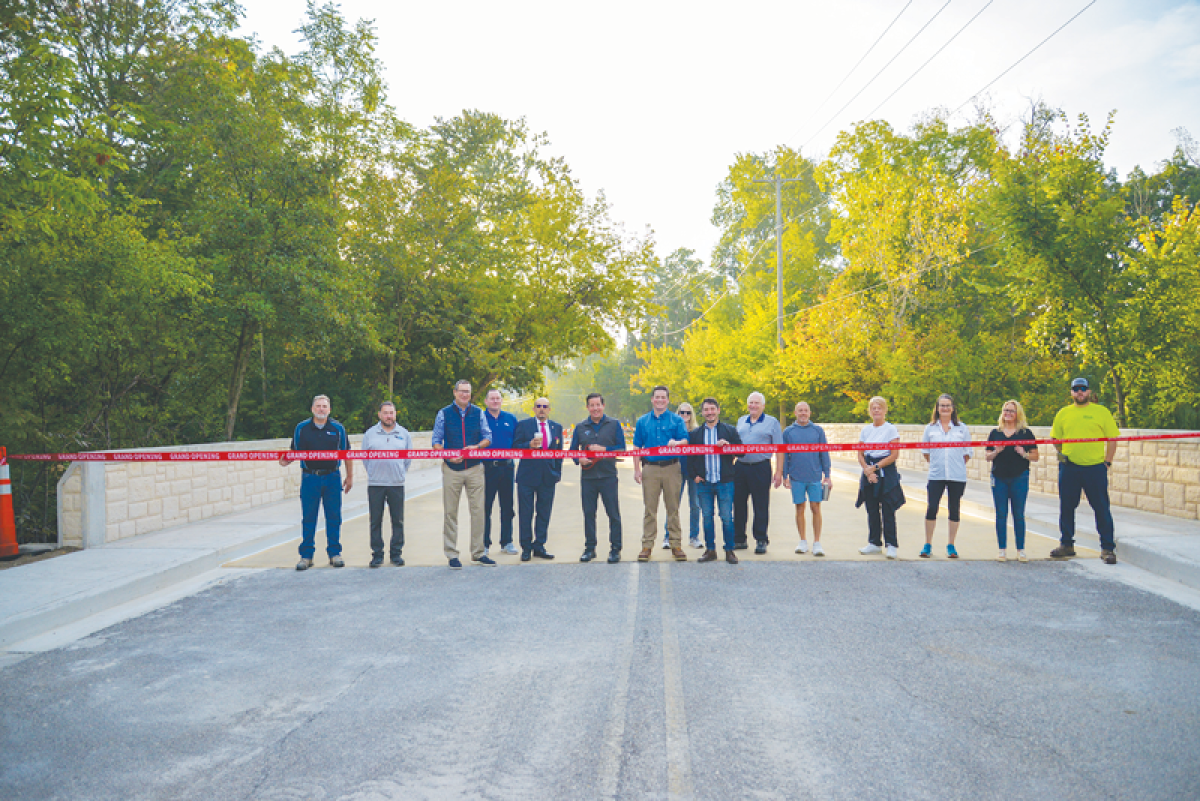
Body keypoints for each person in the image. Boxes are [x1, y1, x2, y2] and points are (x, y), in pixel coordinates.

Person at [279, 395, 353, 571]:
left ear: (329, 409)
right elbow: (294, 451)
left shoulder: (338, 429)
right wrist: (286, 460)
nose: (321, 409)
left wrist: (349, 476)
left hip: (333, 478)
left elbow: (346, 453)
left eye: (324, 406)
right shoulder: (301, 428)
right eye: (318, 406)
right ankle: (306, 556)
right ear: (312, 409)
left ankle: (334, 554)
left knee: (334, 517)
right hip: (310, 478)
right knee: (309, 518)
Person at [1051, 377, 1119, 564]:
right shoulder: (1063, 413)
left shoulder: (1101, 412)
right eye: (1076, 389)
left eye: (1083, 389)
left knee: (1101, 508)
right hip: (1070, 468)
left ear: (1089, 392)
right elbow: (1056, 440)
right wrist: (1065, 455)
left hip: (1095, 468)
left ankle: (1107, 548)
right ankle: (1067, 545)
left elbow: (1112, 439)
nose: (1080, 392)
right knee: (1066, 507)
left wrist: (1107, 462)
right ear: (1071, 392)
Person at [432, 380, 494, 569]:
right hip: (452, 470)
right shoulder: (443, 413)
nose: (465, 395)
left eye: (468, 392)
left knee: (478, 512)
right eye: (462, 391)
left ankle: (478, 553)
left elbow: (488, 437)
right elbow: (436, 441)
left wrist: (476, 447)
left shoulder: (478, 413)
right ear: (455, 392)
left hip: (475, 468)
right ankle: (452, 554)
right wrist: (448, 455)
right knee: (451, 512)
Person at [633, 386, 690, 563]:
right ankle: (647, 545)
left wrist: (677, 443)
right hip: (650, 468)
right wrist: (637, 469)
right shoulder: (643, 421)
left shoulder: (676, 420)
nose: (660, 400)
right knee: (650, 509)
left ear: (667, 400)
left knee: (673, 508)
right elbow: (636, 447)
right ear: (652, 399)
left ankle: (676, 545)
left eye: (663, 397)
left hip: (672, 468)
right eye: (657, 397)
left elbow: (686, 440)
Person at [570, 393, 626, 564]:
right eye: (591, 405)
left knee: (613, 514)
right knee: (588, 514)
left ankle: (615, 549)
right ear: (587, 407)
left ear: (603, 406)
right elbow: (573, 451)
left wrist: (604, 449)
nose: (595, 408)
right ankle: (590, 548)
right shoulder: (580, 427)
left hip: (608, 476)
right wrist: (578, 459)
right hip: (588, 478)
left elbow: (622, 449)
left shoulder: (614, 424)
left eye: (598, 405)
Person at [688, 397, 743, 564]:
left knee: (726, 517)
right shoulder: (695, 434)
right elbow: (689, 457)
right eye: (706, 410)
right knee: (707, 517)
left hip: (724, 482)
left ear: (718, 410)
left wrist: (728, 447)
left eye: (712, 409)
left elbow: (741, 452)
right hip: (704, 483)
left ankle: (729, 551)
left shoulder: (729, 430)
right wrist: (694, 476)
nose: (709, 412)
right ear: (702, 412)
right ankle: (710, 550)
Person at [920, 394, 972, 559]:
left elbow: (967, 452)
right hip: (936, 475)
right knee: (932, 507)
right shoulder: (930, 428)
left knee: (954, 509)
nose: (945, 408)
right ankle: (928, 544)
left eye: (948, 405)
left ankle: (951, 544)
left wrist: (955, 463)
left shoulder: (961, 428)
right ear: (937, 408)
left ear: (953, 408)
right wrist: (938, 463)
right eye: (942, 405)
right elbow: (926, 452)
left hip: (957, 475)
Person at [986, 399, 1039, 562]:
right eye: (1005, 410)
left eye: (1011, 411)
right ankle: (1002, 550)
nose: (1007, 413)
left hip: (1019, 477)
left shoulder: (1025, 433)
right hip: (999, 477)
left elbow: (1035, 456)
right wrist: (996, 451)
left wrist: (1023, 453)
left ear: (1018, 414)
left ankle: (1020, 550)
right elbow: (987, 456)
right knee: (1001, 514)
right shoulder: (995, 433)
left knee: (1018, 514)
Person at [361, 400, 411, 568]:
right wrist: (374, 473)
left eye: (391, 412)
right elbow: (365, 458)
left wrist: (399, 473)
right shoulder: (370, 434)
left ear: (395, 414)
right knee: (375, 520)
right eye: (386, 413)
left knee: (397, 520)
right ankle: (377, 554)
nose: (389, 416)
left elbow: (407, 459)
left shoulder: (404, 433)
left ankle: (396, 554)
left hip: (396, 483)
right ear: (379, 415)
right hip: (376, 484)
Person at [734, 391, 784, 554]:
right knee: (739, 504)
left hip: (760, 467)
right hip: (740, 467)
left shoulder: (772, 422)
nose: (753, 406)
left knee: (760, 505)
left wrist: (779, 472)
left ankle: (761, 539)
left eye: (756, 403)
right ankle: (740, 539)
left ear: (763, 405)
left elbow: (779, 448)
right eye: (751, 403)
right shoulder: (741, 421)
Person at [513, 397, 563, 561]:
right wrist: (529, 445)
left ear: (549, 409)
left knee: (544, 513)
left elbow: (559, 453)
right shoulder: (524, 425)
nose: (542, 409)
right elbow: (514, 448)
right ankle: (526, 547)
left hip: (548, 477)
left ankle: (539, 545)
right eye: (538, 406)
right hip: (527, 477)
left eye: (545, 406)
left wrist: (557, 473)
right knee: (525, 513)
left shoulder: (556, 428)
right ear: (534, 409)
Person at [856, 396, 904, 559]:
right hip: (869, 469)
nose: (876, 410)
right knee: (871, 508)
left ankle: (891, 544)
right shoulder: (866, 430)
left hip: (885, 469)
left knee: (888, 509)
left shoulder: (891, 429)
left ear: (884, 410)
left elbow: (894, 454)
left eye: (879, 407)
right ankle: (874, 543)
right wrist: (868, 471)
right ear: (870, 411)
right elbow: (860, 453)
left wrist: (876, 468)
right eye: (873, 408)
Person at [782, 402, 832, 557]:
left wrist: (827, 475)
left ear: (810, 413)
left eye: (805, 411)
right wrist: (785, 476)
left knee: (816, 508)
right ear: (795, 413)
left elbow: (824, 453)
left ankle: (817, 543)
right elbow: (784, 455)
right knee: (799, 508)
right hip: (796, 477)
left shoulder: (818, 431)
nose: (803, 413)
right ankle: (803, 541)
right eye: (800, 411)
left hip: (815, 476)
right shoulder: (788, 432)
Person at [482, 388, 518, 556]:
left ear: (501, 401)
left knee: (507, 507)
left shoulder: (510, 419)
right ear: (486, 401)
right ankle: (484, 543)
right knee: (485, 507)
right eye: (492, 398)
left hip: (507, 468)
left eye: (498, 398)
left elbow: (518, 442)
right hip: (487, 469)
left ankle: (507, 541)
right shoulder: (480, 419)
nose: (495, 401)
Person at [665, 401, 703, 550]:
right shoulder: (673, 430)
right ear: (678, 414)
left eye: (688, 413)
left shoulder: (697, 431)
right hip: (677, 471)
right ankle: (668, 537)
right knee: (673, 505)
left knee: (695, 505)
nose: (685, 415)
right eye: (682, 412)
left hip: (693, 473)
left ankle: (694, 537)